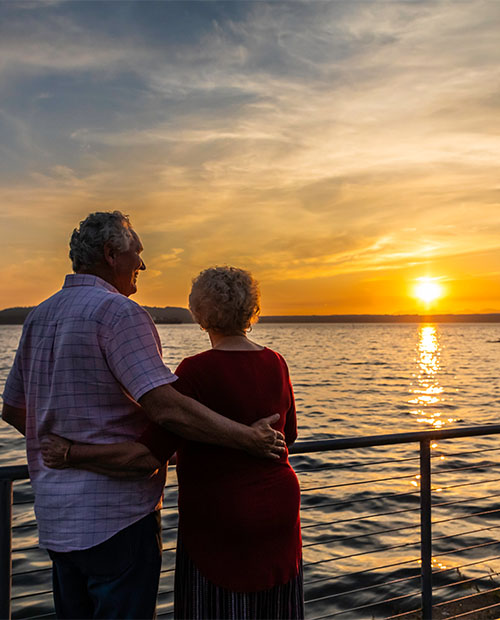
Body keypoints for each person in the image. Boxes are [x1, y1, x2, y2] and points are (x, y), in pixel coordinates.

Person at [1, 212, 285, 620]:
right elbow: (167, 408)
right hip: (115, 519)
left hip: (57, 520)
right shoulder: (118, 313)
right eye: (138, 253)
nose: (143, 265)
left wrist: (65, 445)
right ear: (110, 253)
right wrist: (249, 438)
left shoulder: (40, 316)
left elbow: (14, 409)